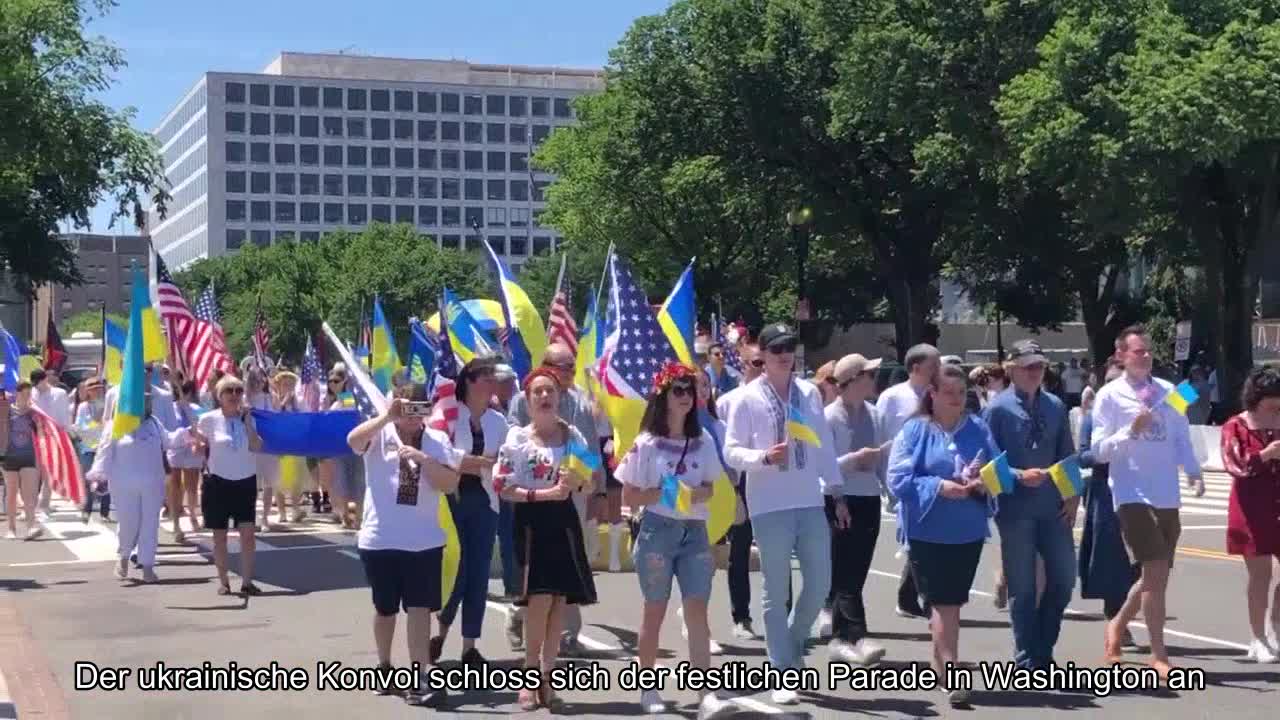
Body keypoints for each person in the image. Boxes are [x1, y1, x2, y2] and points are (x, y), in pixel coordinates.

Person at [725, 323, 846, 706]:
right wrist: (762, 458)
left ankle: (791, 645)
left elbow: (823, 444)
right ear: (762, 353)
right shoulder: (746, 398)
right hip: (769, 503)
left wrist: (837, 491)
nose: (784, 354)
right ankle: (782, 671)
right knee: (775, 591)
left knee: (820, 584)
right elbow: (731, 451)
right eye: (776, 348)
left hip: (810, 499)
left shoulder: (809, 392)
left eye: (789, 348)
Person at [616, 361, 735, 718]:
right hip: (657, 532)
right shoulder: (646, 444)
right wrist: (664, 494)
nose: (687, 397)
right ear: (664, 396)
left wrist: (694, 495)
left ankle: (705, 693)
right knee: (654, 610)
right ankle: (647, 688)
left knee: (697, 609)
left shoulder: (703, 441)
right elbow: (629, 497)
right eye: (679, 390)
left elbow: (712, 486)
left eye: (691, 390)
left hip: (695, 533)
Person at [1092, 326, 1204, 680]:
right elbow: (1098, 450)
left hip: (1166, 493)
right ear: (1121, 355)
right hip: (1131, 493)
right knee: (1155, 570)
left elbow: (1181, 435)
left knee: (1156, 576)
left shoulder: (1170, 391)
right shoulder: (1109, 396)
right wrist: (1131, 430)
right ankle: (1159, 653)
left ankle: (1116, 626)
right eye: (1138, 351)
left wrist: (1193, 470)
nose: (1145, 356)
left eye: (1147, 351)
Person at [887, 363, 1000, 706]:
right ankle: (952, 672)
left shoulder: (978, 429)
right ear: (931, 395)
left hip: (967, 531)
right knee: (944, 603)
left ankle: (941, 663)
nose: (956, 399)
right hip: (927, 531)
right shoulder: (914, 431)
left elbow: (999, 473)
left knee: (951, 603)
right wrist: (938, 486)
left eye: (962, 393)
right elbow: (897, 479)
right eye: (948, 393)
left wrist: (983, 481)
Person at [348, 383, 461, 706]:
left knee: (419, 609)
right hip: (381, 539)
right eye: (406, 407)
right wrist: (386, 417)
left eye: (419, 408)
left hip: (423, 541)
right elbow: (352, 441)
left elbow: (450, 483)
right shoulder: (380, 435)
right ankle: (384, 666)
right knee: (385, 610)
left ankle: (419, 675)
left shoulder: (436, 440)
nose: (412, 415)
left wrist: (424, 459)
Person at [493, 369, 598, 711]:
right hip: (530, 524)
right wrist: (543, 494)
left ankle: (549, 679)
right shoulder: (517, 440)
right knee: (537, 602)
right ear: (527, 399)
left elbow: (592, 478)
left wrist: (578, 481)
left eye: (549, 391)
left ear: (558, 397)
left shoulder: (573, 437)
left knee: (558, 603)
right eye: (536, 392)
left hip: (563, 523)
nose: (543, 397)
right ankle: (529, 677)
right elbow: (504, 488)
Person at [983, 339, 1077, 670]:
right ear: (1010, 369)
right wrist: (1019, 475)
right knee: (1022, 588)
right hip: (1015, 510)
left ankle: (1042, 646)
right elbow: (987, 466)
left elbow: (1067, 456)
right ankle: (1028, 660)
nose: (1035, 371)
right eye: (1028, 366)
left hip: (1053, 508)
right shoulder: (997, 409)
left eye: (1039, 365)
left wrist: (1073, 498)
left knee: (1064, 580)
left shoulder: (1055, 406)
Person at [504, 342, 599, 656]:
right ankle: (521, 619)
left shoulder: (581, 406)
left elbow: (591, 458)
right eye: (565, 367)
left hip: (569, 505)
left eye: (573, 368)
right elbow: (512, 460)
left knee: (562, 588)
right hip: (531, 509)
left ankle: (567, 638)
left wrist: (590, 487)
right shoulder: (523, 401)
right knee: (537, 593)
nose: (571, 373)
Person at [431, 356, 507, 667]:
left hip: (485, 504)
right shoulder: (449, 414)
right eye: (487, 376)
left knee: (478, 575)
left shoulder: (498, 421)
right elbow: (445, 456)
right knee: (457, 573)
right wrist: (480, 462)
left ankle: (469, 647)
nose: (493, 382)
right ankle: (439, 633)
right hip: (452, 503)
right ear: (470, 381)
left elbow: (502, 462)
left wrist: (470, 463)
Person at [821, 354, 888, 666]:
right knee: (845, 570)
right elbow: (824, 467)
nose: (874, 379)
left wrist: (890, 490)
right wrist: (853, 460)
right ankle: (856, 636)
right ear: (852, 381)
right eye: (869, 374)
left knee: (857, 570)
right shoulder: (829, 417)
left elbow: (883, 461)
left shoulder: (874, 414)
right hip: (841, 498)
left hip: (869, 497)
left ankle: (841, 638)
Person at [87, 390, 193, 582]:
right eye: (141, 400)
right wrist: (98, 475)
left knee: (150, 524)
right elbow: (104, 452)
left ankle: (148, 566)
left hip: (152, 482)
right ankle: (124, 557)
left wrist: (187, 433)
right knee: (128, 523)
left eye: (147, 400)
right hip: (124, 483)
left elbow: (168, 441)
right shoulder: (115, 425)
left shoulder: (153, 423)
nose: (146, 404)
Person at [876, 343, 941, 617]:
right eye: (933, 366)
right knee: (918, 537)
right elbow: (878, 437)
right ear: (915, 368)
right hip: (904, 479)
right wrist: (883, 480)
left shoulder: (937, 395)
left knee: (932, 538)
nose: (939, 370)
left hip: (935, 477)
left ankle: (912, 594)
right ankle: (920, 596)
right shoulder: (892, 397)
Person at [1078, 361, 1138, 650]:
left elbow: (1181, 399)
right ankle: (1115, 618)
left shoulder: (1143, 413)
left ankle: (1125, 617)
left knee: (1144, 562)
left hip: (1142, 491)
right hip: (1106, 491)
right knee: (1113, 561)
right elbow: (1083, 456)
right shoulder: (1092, 418)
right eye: (1112, 381)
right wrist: (1109, 449)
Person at [1222, 365, 1280, 663]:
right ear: (1256, 397)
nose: (1275, 405)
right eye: (1270, 399)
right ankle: (1257, 637)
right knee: (1261, 574)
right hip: (1251, 510)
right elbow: (1235, 465)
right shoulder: (1236, 426)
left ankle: (1275, 629)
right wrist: (1266, 454)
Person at [193, 375, 264, 596]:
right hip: (218, 482)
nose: (234, 395)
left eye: (238, 391)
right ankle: (223, 581)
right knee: (219, 536)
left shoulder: (249, 418)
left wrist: (249, 423)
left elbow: (256, 446)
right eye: (229, 391)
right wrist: (197, 444)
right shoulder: (208, 419)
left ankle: (247, 581)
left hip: (245, 481)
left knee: (248, 535)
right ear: (219, 395)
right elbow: (199, 448)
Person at [716, 340, 764, 641]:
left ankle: (783, 617)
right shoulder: (728, 401)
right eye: (757, 363)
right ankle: (741, 616)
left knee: (779, 551)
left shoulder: (785, 399)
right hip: (742, 482)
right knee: (740, 550)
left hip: (774, 482)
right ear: (744, 365)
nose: (763, 368)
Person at [1, 383, 44, 540]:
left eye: (29, 394)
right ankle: (11, 528)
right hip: (9, 456)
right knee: (11, 493)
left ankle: (31, 526)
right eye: (24, 394)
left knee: (29, 494)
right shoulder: (7, 410)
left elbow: (41, 435)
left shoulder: (34, 414)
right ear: (17, 394)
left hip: (29, 456)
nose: (27, 397)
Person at [167, 381, 206, 542]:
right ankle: (176, 523)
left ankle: (193, 517)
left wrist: (199, 441)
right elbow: (168, 429)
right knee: (175, 488)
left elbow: (202, 429)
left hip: (192, 452)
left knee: (191, 487)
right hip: (176, 451)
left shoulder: (196, 409)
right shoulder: (170, 409)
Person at [31, 368, 70, 517]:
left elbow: (64, 415)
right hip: (35, 434)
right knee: (35, 472)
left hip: (55, 435)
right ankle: (33, 504)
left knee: (49, 471)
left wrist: (65, 433)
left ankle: (44, 504)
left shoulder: (59, 394)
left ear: (45, 379)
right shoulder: (32, 393)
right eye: (34, 384)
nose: (37, 386)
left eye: (38, 383)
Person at [246, 367, 280, 532]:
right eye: (255, 379)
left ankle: (265, 518)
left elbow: (278, 416)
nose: (259, 382)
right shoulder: (247, 398)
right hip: (251, 445)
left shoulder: (271, 397)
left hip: (269, 444)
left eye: (262, 379)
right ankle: (249, 516)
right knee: (250, 483)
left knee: (269, 483)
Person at [74, 378, 108, 523]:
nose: (96, 391)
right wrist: (95, 425)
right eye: (93, 389)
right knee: (88, 479)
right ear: (88, 392)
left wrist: (99, 425)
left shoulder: (108, 404)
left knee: (105, 480)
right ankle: (86, 510)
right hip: (88, 448)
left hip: (104, 447)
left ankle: (104, 512)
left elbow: (109, 426)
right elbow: (79, 427)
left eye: (99, 388)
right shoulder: (83, 407)